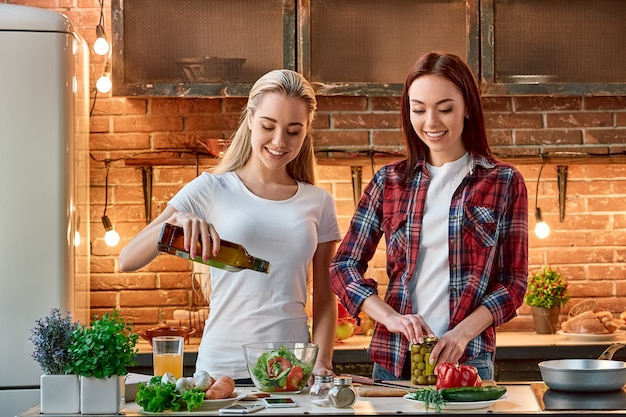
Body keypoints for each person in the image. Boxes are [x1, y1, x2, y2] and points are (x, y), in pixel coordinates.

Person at [120, 69, 341, 382]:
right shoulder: (212, 188)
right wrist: (175, 220)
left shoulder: (318, 202)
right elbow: (127, 259)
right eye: (268, 126)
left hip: (291, 372)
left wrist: (322, 361)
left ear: (306, 131)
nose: (280, 141)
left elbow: (324, 296)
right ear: (250, 119)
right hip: (221, 369)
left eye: (294, 131)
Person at [329, 51, 528, 381]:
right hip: (394, 361)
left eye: (445, 108)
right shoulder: (389, 181)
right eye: (418, 109)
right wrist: (390, 318)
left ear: (467, 109)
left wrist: (462, 333)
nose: (431, 122)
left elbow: (513, 283)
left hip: (467, 359)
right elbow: (343, 266)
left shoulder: (503, 181)